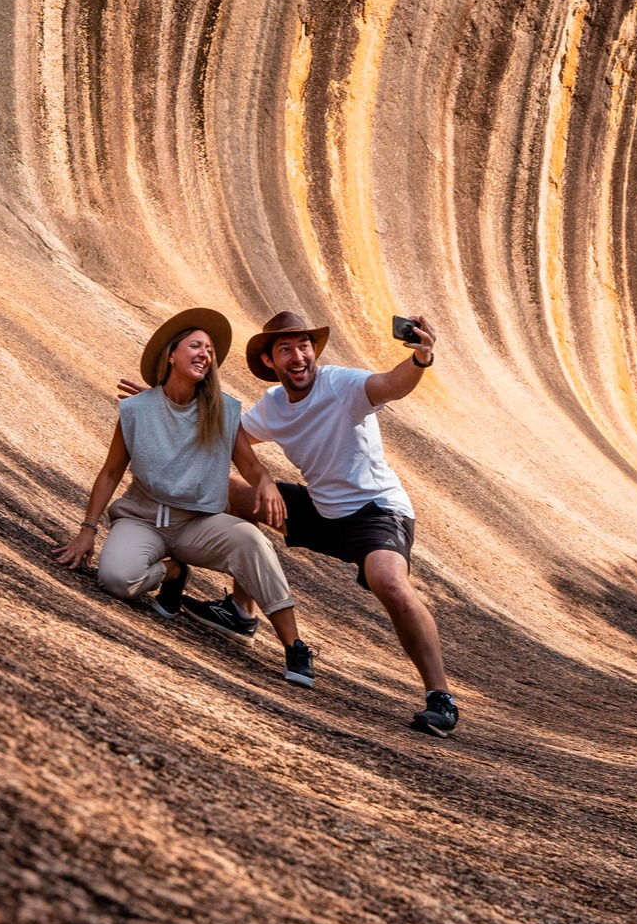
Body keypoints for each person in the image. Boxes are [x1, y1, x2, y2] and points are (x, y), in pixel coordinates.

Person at [135, 309, 458, 735]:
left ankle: (440, 697)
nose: (298, 356)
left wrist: (420, 359)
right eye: (285, 350)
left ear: (314, 352)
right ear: (270, 363)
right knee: (227, 486)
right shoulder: (273, 407)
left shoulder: (341, 385)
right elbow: (223, 437)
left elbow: (390, 385)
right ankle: (240, 612)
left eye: (304, 346)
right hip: (321, 509)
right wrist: (166, 409)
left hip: (376, 512)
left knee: (390, 582)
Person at [52, 308, 316, 689]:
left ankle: (294, 645)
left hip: (197, 525)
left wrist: (268, 484)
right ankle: (173, 573)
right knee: (115, 580)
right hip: (142, 519)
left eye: (209, 350)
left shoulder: (223, 411)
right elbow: (111, 471)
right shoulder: (137, 410)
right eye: (196, 345)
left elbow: (253, 467)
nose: (205, 354)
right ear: (171, 355)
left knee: (251, 540)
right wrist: (87, 530)